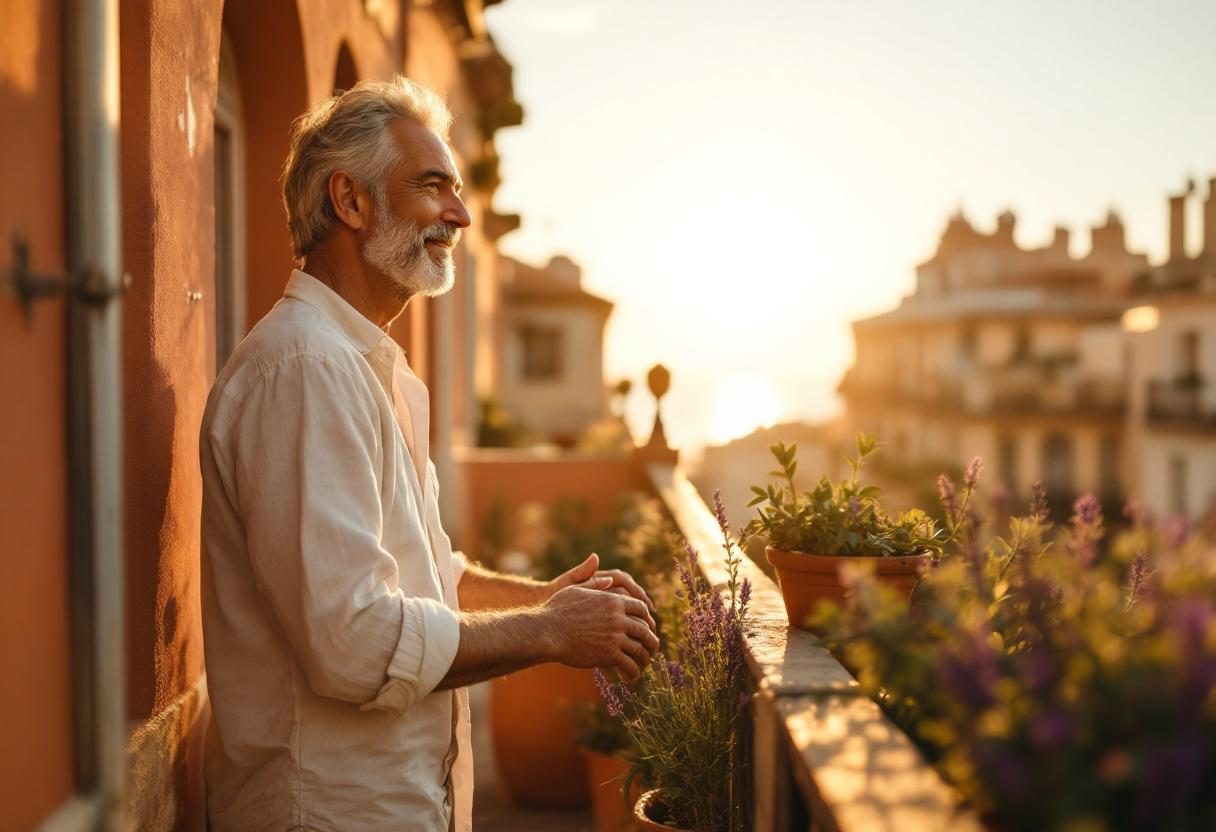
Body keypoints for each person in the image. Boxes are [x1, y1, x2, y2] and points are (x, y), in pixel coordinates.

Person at [199, 76, 659, 831]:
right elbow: (355, 642)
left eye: (457, 190)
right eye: (433, 186)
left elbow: (429, 577)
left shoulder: (365, 367)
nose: (461, 214)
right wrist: (551, 631)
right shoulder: (305, 371)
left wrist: (547, 598)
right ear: (350, 201)